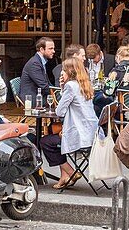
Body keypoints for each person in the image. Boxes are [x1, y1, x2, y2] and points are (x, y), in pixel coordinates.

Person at [39, 56, 99, 190]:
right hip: (90, 133)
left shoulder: (71, 86)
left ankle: (71, 172)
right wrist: (62, 87)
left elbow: (60, 112)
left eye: (64, 70)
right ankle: (64, 177)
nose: (61, 72)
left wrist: (63, 87)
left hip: (79, 134)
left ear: (70, 72)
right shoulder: (84, 85)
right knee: (56, 136)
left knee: (45, 141)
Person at [18, 37, 55, 107]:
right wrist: (56, 94)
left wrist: (57, 91)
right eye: (50, 48)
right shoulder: (34, 63)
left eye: (53, 48)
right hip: (31, 98)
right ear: (41, 49)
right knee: (63, 102)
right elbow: (43, 85)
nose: (53, 51)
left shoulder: (40, 61)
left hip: (38, 94)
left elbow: (46, 83)